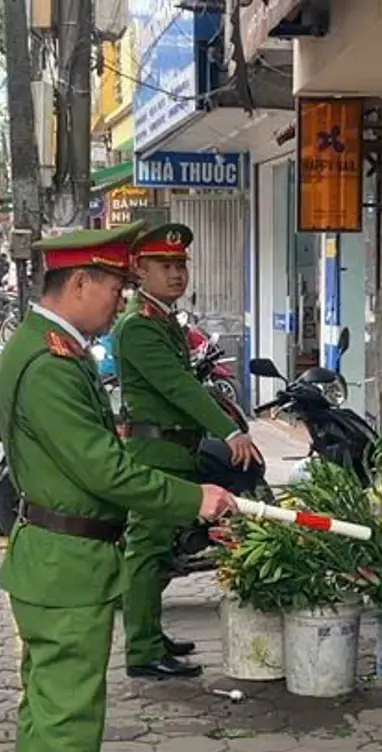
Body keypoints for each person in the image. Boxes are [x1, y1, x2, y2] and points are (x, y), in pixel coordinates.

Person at [0, 224, 237, 752]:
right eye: (113, 286)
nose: (117, 300)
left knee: (47, 715)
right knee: (66, 719)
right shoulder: (48, 363)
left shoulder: (51, 351)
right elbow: (101, 467)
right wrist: (195, 496)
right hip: (63, 565)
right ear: (78, 285)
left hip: (59, 562)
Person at [113, 223, 263, 679]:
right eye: (165, 266)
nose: (177, 274)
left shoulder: (164, 321)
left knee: (161, 552)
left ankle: (153, 636)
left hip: (176, 450)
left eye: (180, 265)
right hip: (155, 452)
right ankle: (141, 651)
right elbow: (179, 388)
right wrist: (230, 430)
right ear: (141, 270)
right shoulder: (138, 328)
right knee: (146, 550)